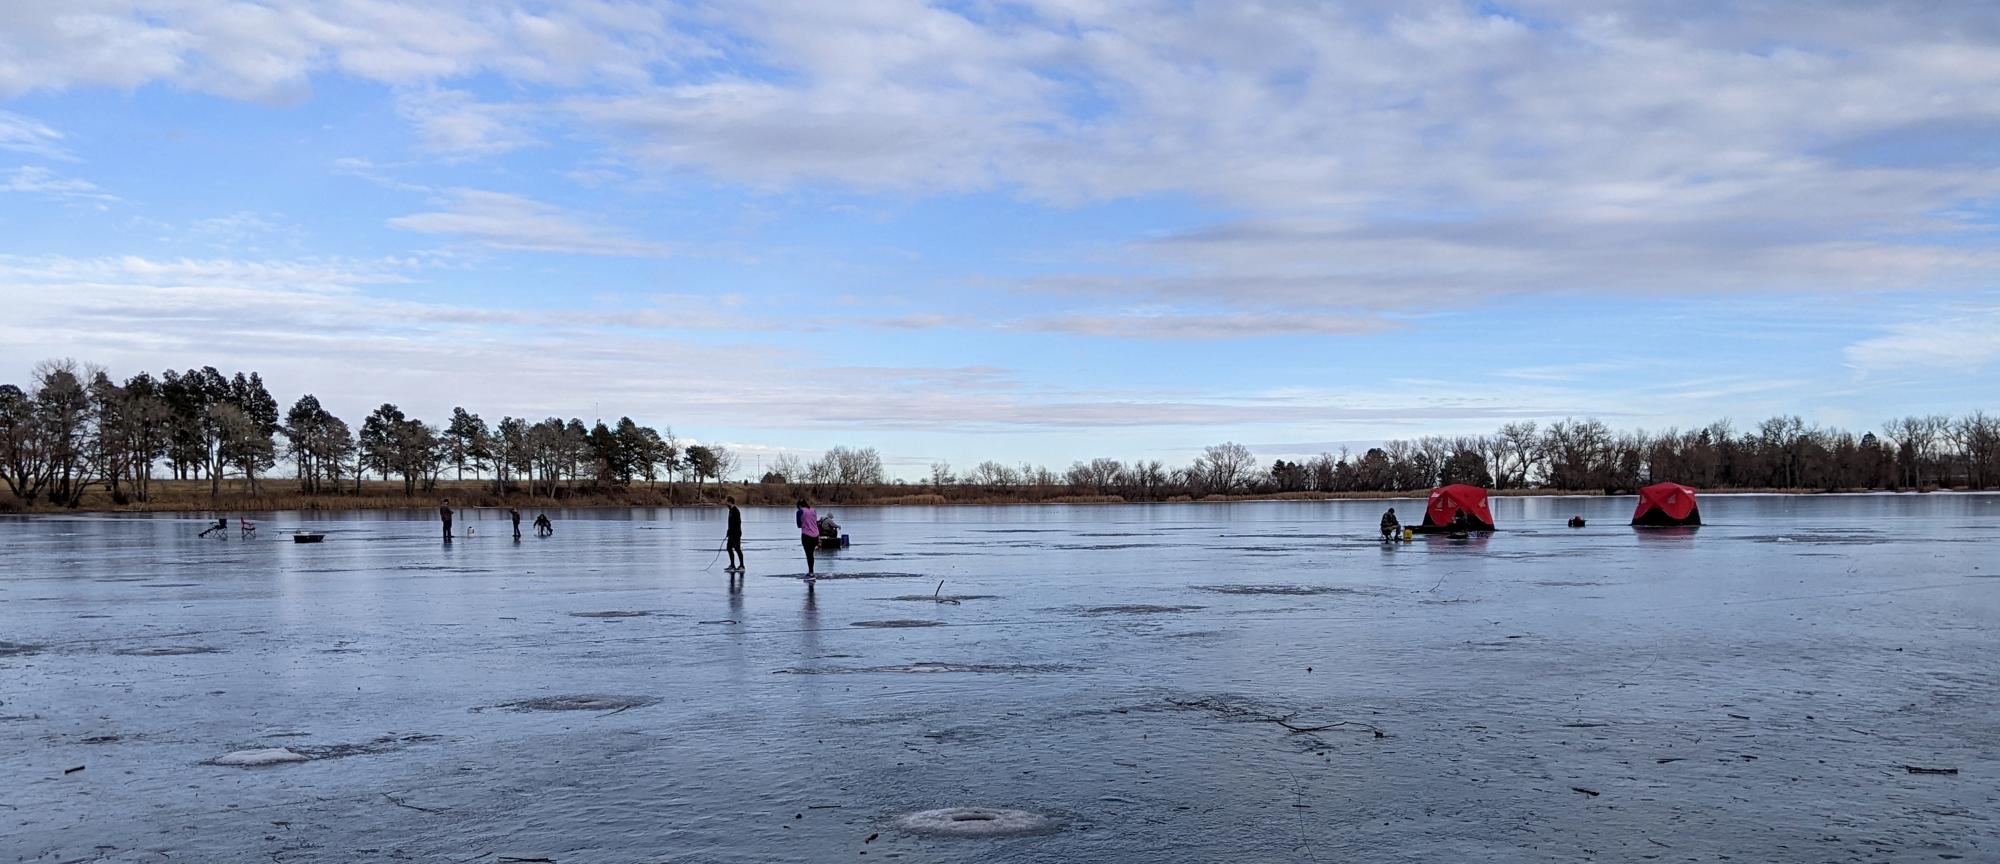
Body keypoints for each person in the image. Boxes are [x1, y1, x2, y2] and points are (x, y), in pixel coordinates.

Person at [796, 498, 820, 580]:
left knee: (808, 555)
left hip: (806, 535)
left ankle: (811, 574)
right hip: (816, 535)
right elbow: (815, 522)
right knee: (811, 554)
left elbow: (799, 525)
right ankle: (811, 572)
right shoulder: (813, 510)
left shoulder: (799, 512)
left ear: (799, 506)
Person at [723, 497, 745, 573]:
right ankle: (732, 565)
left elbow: (738, 523)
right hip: (731, 533)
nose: (725, 503)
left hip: (736, 533)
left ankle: (742, 566)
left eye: (726, 502)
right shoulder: (731, 510)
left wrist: (733, 532)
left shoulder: (736, 511)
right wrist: (728, 531)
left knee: (737, 549)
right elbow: (731, 523)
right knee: (729, 548)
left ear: (730, 502)